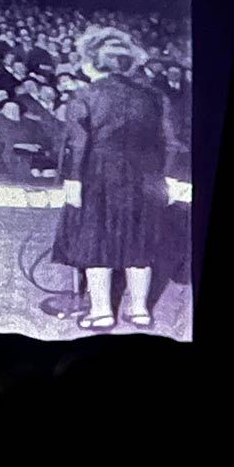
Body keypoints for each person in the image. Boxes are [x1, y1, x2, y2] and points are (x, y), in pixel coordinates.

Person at [51, 27, 175, 330]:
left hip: (98, 178)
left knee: (96, 245)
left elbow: (76, 144)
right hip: (146, 181)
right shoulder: (153, 97)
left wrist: (72, 181)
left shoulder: (85, 95)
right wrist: (164, 179)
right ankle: (139, 311)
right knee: (139, 246)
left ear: (93, 62)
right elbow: (167, 141)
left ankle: (102, 312)